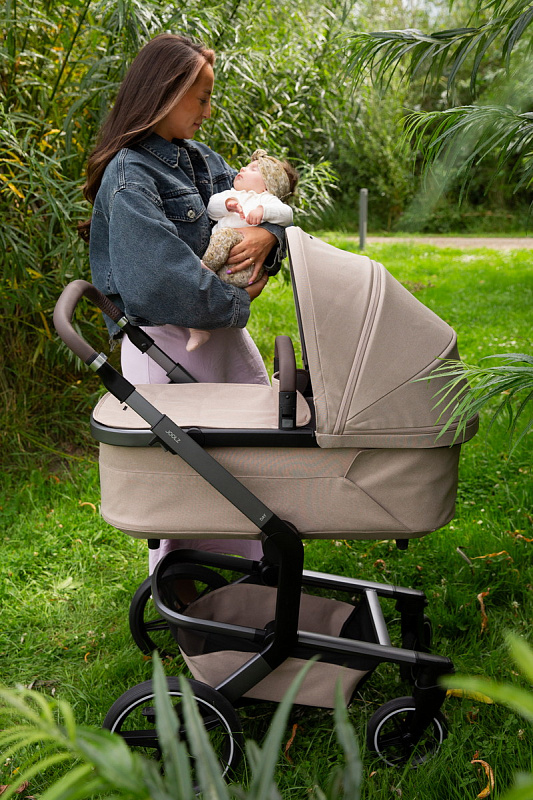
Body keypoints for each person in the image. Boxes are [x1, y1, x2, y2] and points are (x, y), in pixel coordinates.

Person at [80, 33, 288, 576]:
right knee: (181, 476)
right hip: (164, 346)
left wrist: (268, 240)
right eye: (202, 98)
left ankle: (254, 569)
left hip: (217, 337)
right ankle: (179, 584)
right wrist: (237, 297)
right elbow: (160, 283)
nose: (208, 111)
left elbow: (261, 209)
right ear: (165, 93)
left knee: (248, 454)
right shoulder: (131, 177)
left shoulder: (202, 162)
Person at [187, 149, 298, 351]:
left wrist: (263, 211)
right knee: (204, 295)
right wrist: (227, 205)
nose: (243, 169)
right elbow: (212, 208)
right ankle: (198, 328)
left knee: (225, 236)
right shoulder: (231, 195)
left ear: (268, 185)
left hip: (241, 266)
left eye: (253, 169)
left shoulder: (267, 200)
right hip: (225, 266)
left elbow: (287, 214)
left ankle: (204, 268)